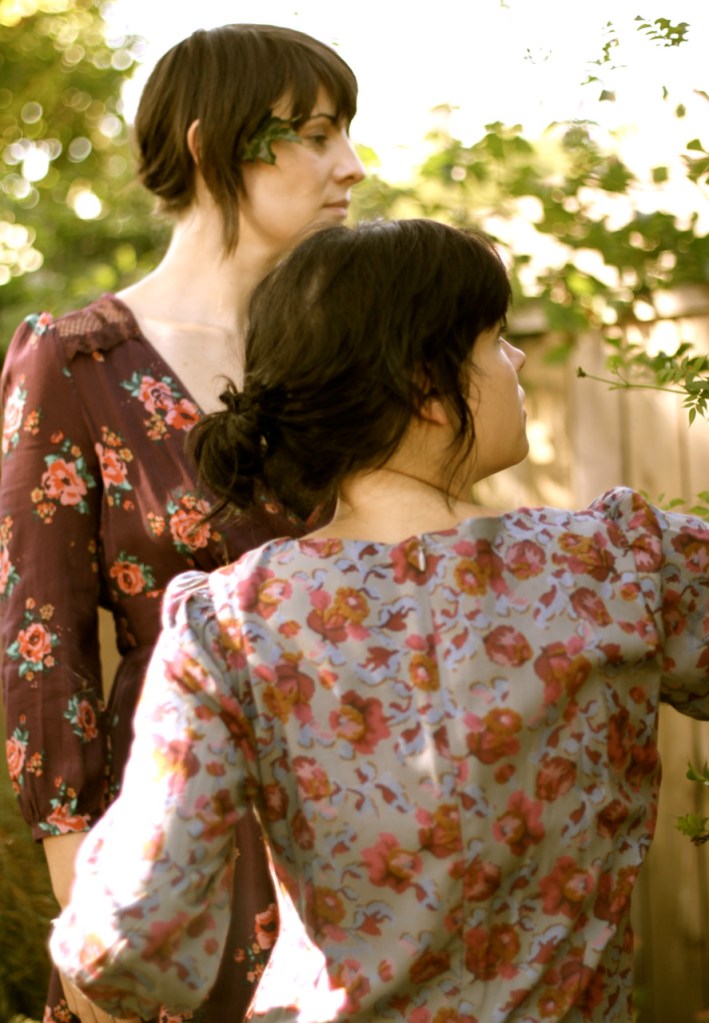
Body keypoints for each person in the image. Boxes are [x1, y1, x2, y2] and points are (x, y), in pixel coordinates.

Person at [49, 218, 709, 1022]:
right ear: (425, 388)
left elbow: (128, 937)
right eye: (495, 337)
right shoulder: (612, 567)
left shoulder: (232, 623)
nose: (519, 358)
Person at [0, 23, 364, 1023]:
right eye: (318, 133)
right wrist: (90, 915)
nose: (351, 165)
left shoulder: (341, 359)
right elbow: (46, 651)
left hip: (359, 834)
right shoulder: (74, 362)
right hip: (173, 843)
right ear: (210, 147)